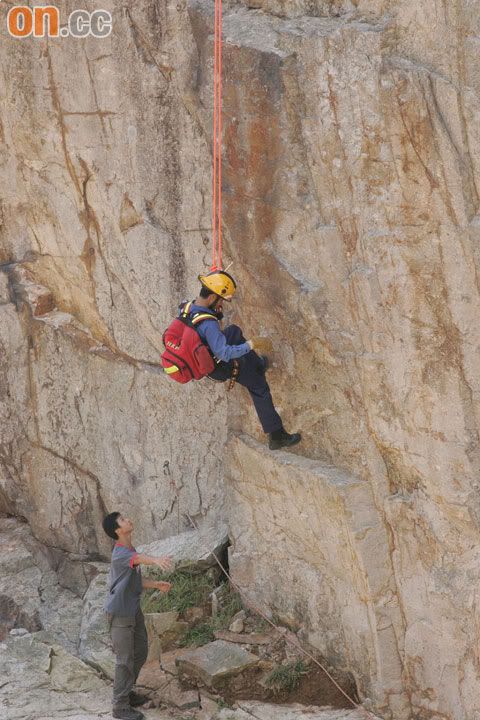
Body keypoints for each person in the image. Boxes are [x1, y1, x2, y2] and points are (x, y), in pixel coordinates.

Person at [181, 270, 301, 450]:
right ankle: (276, 435)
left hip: (204, 353)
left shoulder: (187, 307)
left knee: (233, 332)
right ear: (212, 297)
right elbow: (224, 354)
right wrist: (251, 345)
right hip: (219, 365)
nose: (221, 303)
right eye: (220, 300)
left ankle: (258, 365)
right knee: (258, 386)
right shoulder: (209, 324)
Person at [102, 511, 173, 720]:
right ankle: (120, 706)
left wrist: (155, 584)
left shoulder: (129, 549)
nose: (128, 519)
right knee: (124, 660)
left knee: (140, 651)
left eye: (126, 517)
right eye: (123, 520)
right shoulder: (121, 553)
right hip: (120, 614)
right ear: (118, 531)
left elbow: (133, 579)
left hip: (133, 611)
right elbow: (138, 559)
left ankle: (126, 691)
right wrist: (157, 559)